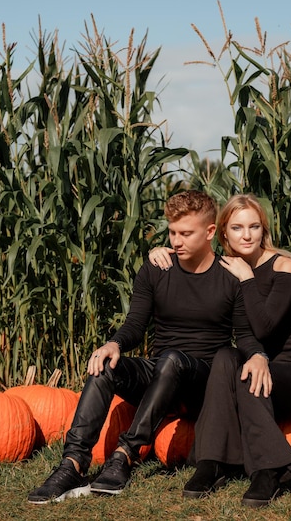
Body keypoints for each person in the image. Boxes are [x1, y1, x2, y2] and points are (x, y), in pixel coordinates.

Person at [27, 190, 247, 504]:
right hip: (162, 377)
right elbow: (135, 323)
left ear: (210, 232)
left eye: (186, 233)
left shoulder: (230, 275)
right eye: (172, 232)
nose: (176, 241)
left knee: (170, 360)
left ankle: (124, 455)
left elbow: (249, 335)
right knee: (105, 364)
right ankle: (72, 464)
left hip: (203, 385)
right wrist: (114, 344)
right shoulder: (157, 269)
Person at [149, 193, 291, 509]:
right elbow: (190, 262)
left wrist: (247, 279)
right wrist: (160, 253)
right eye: (238, 227)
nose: (246, 235)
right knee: (226, 356)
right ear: (223, 232)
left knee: (241, 365)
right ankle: (210, 464)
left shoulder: (284, 265)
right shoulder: (225, 266)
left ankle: (270, 469)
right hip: (251, 365)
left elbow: (264, 328)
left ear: (263, 230)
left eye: (254, 226)